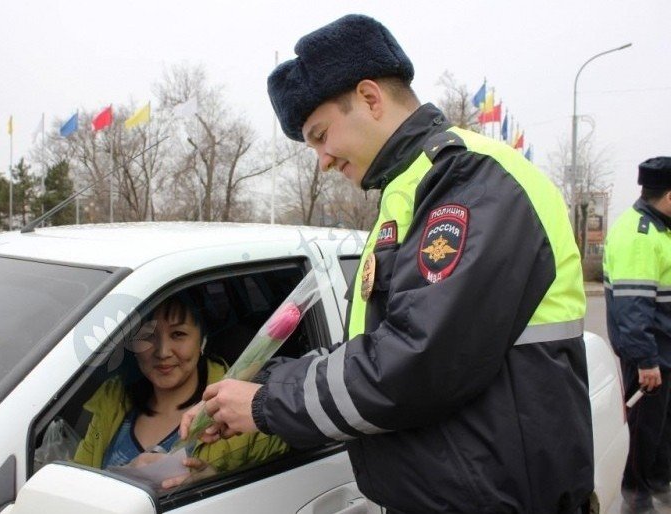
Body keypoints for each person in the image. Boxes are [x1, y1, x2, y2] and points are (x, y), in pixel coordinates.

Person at [181, 14, 594, 513]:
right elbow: (371, 348)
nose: (323, 160)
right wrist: (256, 388)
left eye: (320, 135)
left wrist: (267, 405)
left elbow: (416, 362)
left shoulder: (471, 182)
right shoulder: (411, 189)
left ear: (370, 99)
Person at [74, 293, 287, 489]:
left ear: (202, 338)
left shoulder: (244, 406)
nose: (163, 351)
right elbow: (77, 486)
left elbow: (290, 493)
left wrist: (213, 486)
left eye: (178, 334)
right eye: (148, 336)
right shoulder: (113, 400)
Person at [604, 157, 671, 514]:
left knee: (660, 429)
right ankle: (636, 496)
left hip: (663, 351)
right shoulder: (640, 236)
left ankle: (659, 483)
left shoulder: (660, 230)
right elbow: (633, 309)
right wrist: (646, 360)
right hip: (650, 354)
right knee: (644, 430)